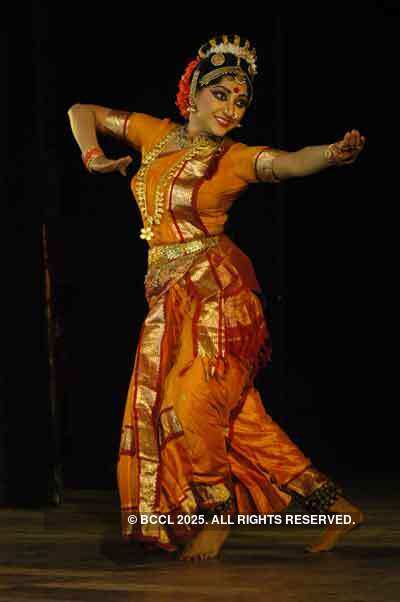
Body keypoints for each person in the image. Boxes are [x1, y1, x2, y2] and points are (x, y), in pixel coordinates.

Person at [67, 34, 366, 561]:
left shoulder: (234, 159)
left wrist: (332, 155)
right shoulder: (155, 135)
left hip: (219, 292)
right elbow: (81, 110)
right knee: (238, 418)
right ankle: (335, 509)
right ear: (194, 92)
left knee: (195, 398)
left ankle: (217, 510)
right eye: (222, 94)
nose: (231, 108)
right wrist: (93, 156)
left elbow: (291, 162)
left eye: (241, 100)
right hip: (168, 297)